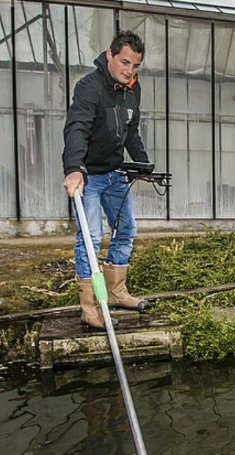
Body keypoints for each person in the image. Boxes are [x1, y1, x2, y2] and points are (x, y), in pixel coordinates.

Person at [62, 30, 150, 329]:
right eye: (125, 62)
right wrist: (74, 168)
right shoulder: (89, 87)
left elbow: (131, 132)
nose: (129, 70)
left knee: (126, 229)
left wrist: (142, 164)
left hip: (115, 174)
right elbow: (77, 129)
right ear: (110, 55)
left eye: (135, 66)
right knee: (90, 239)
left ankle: (115, 292)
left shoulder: (132, 90)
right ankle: (90, 306)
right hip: (89, 177)